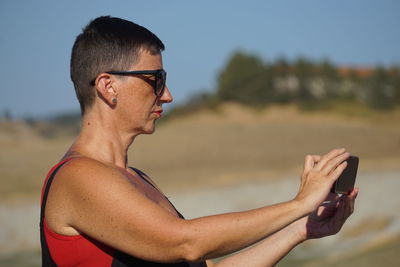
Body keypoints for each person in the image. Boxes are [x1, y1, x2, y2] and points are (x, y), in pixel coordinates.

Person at [40, 16, 358, 267]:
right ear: (109, 86)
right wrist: (299, 203)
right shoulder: (77, 177)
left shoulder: (136, 179)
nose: (167, 95)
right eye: (155, 80)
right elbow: (186, 243)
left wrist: (301, 228)